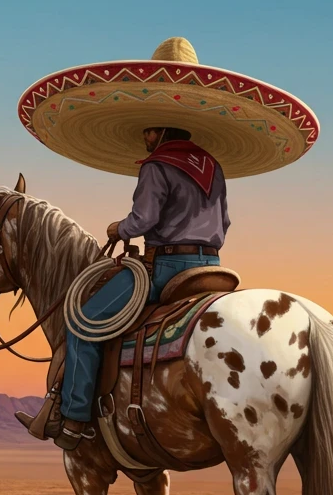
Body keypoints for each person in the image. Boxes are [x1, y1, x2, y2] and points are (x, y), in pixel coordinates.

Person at [53, 124, 229, 450]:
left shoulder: (157, 164)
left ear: (161, 132)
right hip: (213, 267)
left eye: (148, 131)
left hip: (166, 267)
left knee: (82, 321)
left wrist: (118, 229)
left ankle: (75, 418)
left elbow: (144, 219)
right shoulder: (213, 167)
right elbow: (226, 223)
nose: (144, 138)